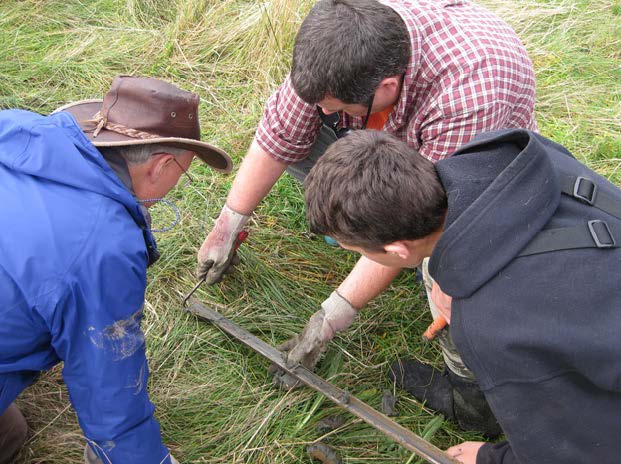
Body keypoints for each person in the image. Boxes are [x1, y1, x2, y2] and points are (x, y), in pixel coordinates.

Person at [196, 0, 536, 433]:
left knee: (448, 271)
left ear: (389, 86)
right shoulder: (343, 50)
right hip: (397, 146)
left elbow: (415, 225)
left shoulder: (468, 94)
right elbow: (281, 132)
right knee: (310, 126)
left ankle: (472, 401)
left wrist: (329, 318)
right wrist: (228, 225)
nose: (323, 116)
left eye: (337, 107)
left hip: (473, 183)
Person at [303, 129, 621, 464]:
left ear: (396, 250)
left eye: (352, 249)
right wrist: (458, 270)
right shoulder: (514, 156)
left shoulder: (493, 325)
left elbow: (577, 449)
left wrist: (492, 458)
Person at [0, 76, 232, 463]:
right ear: (161, 167)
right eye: (184, 173)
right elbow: (108, 388)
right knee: (10, 434)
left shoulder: (16, 131)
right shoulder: (104, 246)